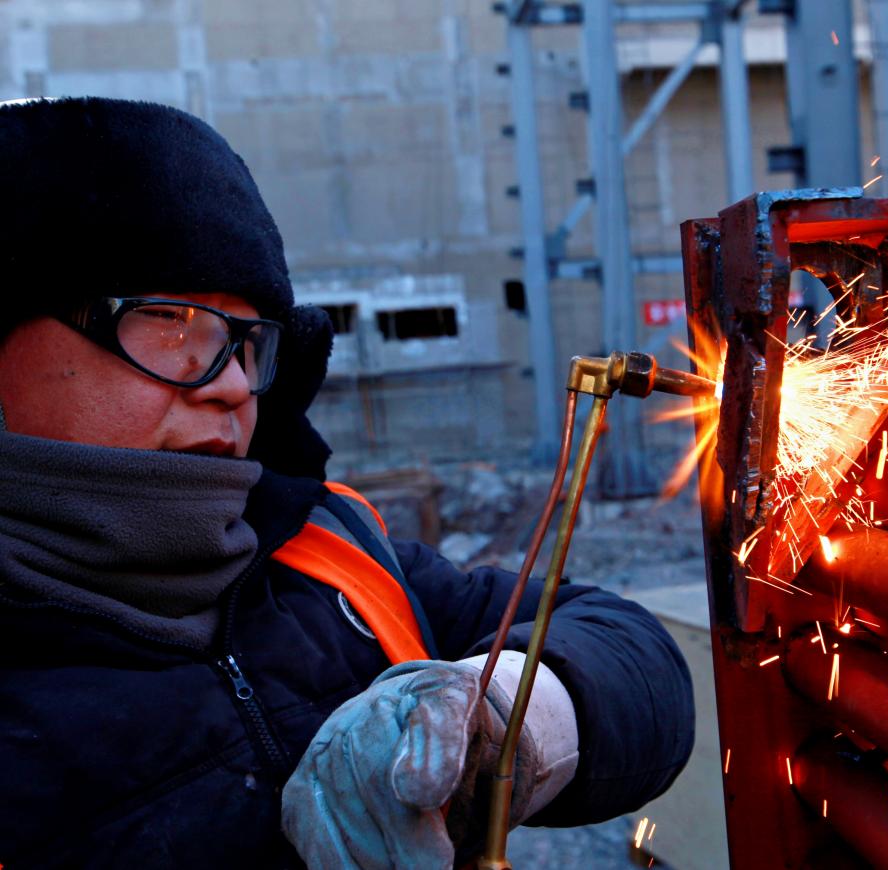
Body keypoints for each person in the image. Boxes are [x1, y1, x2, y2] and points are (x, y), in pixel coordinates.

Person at [0, 96, 694, 869]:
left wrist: (499, 721)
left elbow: (636, 654)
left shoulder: (329, 552)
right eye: (169, 323)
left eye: (244, 341)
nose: (230, 385)